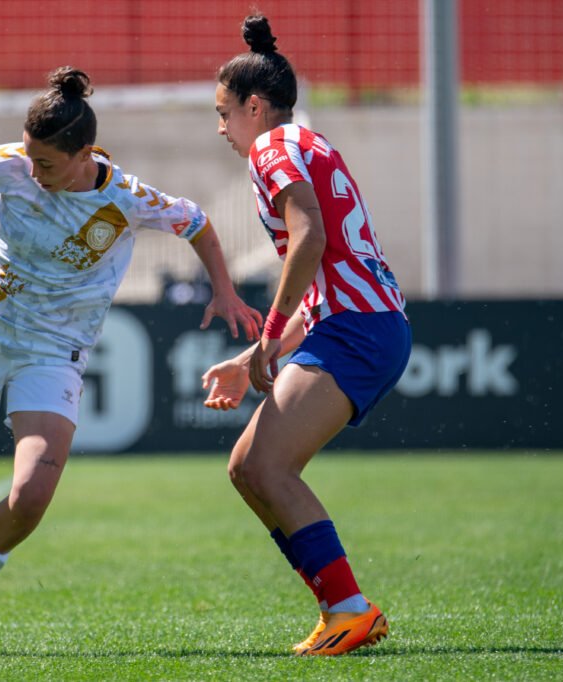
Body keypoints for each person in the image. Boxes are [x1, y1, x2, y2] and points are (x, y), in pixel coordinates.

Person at [0, 66, 264, 640]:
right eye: (29, 156)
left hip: (54, 348)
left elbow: (196, 222)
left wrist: (224, 289)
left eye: (46, 163)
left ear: (84, 153)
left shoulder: (126, 198)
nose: (33, 171)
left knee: (32, 492)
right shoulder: (10, 167)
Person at [200, 16, 411, 656]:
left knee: (265, 464)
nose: (221, 129)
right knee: (247, 468)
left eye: (223, 113)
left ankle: (349, 607)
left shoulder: (273, 147)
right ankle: (338, 608)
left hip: (359, 328)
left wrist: (267, 336)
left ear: (253, 106)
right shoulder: (308, 143)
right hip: (358, 323)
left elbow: (311, 237)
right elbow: (320, 267)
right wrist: (253, 355)